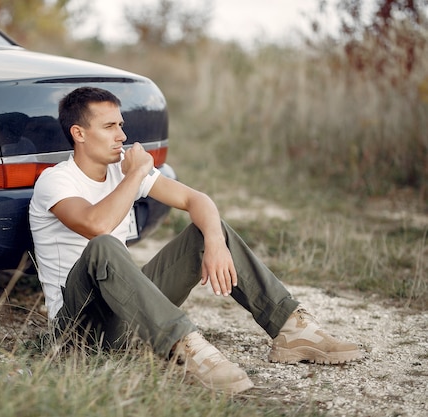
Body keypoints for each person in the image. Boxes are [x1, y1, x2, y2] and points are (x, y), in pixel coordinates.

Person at [28, 86, 362, 394]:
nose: (122, 136)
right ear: (79, 133)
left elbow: (197, 200)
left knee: (207, 229)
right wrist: (135, 174)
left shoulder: (121, 172)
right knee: (103, 246)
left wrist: (214, 242)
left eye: (121, 124)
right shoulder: (56, 182)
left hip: (127, 317)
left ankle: (292, 329)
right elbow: (96, 225)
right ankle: (186, 347)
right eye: (109, 127)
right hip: (79, 331)